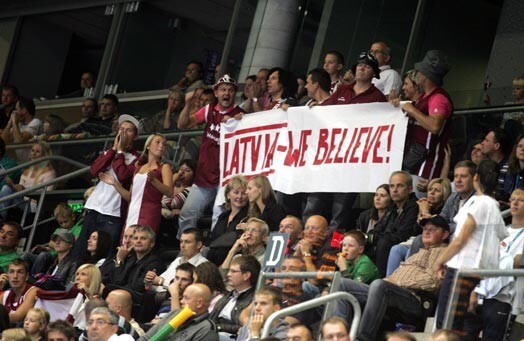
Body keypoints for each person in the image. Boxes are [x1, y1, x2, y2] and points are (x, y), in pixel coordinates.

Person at [303, 51, 387, 230]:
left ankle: (331, 252)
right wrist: (318, 108)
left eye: (366, 66)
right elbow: (329, 112)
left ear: (373, 73)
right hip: (330, 158)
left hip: (352, 163)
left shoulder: (378, 98)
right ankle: (305, 243)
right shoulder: (342, 90)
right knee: (314, 204)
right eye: (359, 65)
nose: (361, 68)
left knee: (340, 212)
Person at [335, 215, 450, 341]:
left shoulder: (444, 253)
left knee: (379, 285)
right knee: (341, 284)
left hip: (416, 299)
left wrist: (396, 283)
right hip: (391, 291)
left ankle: (363, 338)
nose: (427, 231)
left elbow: (432, 282)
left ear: (444, 234)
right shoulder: (419, 252)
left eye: (432, 229)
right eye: (425, 229)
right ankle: (340, 336)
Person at [434, 159, 509, 335]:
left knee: (446, 325)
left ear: (476, 178)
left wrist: (440, 260)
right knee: (456, 326)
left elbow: (461, 239)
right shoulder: (494, 205)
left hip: (461, 270)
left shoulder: (480, 203)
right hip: (473, 272)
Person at [177, 75, 244, 237]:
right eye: (222, 89)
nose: (226, 93)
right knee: (187, 213)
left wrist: (241, 122)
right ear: (216, 93)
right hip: (204, 175)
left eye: (230, 90)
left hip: (226, 177)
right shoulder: (209, 110)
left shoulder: (241, 114)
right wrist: (187, 104)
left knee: (217, 215)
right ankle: (184, 248)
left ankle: (212, 250)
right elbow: (182, 125)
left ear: (234, 93)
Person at [73, 114, 140, 259]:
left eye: (128, 130)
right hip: (94, 208)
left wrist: (120, 152)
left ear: (135, 137)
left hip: (113, 213)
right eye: (121, 129)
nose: (123, 133)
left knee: (105, 252)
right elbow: (94, 171)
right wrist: (113, 151)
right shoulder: (108, 152)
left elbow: (123, 175)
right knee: (82, 249)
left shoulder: (137, 159)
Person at [462, 188, 524, 340]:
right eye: (512, 199)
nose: (515, 203)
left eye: (521, 200)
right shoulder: (501, 230)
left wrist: (497, 259)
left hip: (504, 297)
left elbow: (519, 262)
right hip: (479, 293)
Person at [391, 50, 453, 194]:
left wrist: (411, 109)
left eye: (419, 71)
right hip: (413, 162)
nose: (417, 73)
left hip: (426, 167)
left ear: (426, 75)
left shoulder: (438, 98)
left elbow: (435, 126)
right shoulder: (425, 97)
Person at [100, 133, 173, 234]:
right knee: (127, 243)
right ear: (148, 146)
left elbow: (169, 192)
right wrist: (115, 183)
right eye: (158, 142)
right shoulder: (138, 169)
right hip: (132, 212)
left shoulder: (164, 167)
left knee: (141, 241)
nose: (161, 146)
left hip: (149, 213)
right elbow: (130, 197)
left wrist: (154, 181)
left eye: (164, 144)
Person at [105, 226, 164, 309]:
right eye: (135, 238)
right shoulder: (131, 259)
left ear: (152, 243)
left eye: (143, 238)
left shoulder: (155, 262)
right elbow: (117, 280)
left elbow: (138, 287)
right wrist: (119, 260)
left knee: (107, 289)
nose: (138, 241)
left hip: (139, 300)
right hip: (124, 293)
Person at [374, 171, 419, 276]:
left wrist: (379, 237)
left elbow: (403, 234)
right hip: (388, 244)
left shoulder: (414, 207)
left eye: (400, 186)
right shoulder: (392, 206)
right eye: (392, 186)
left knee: (384, 242)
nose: (394, 190)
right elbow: (378, 228)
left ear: (410, 189)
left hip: (405, 246)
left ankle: (380, 279)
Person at [139, 283, 218, 341]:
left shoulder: (207, 329)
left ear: (199, 303)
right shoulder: (174, 313)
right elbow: (146, 337)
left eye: (186, 298)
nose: (181, 301)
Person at [0, 141, 56, 218]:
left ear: (44, 155)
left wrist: (24, 189)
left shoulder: (49, 172)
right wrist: (17, 187)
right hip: (21, 202)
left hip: (34, 206)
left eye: (37, 152)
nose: (33, 154)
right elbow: (19, 190)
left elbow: (46, 195)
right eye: (32, 150)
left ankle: (1, 216)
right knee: (6, 188)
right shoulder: (26, 172)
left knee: (6, 191)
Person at [210, 255, 260, 338]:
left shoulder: (255, 299)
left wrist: (218, 327)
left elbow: (244, 328)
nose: (228, 274)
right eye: (229, 270)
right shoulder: (227, 296)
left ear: (246, 276)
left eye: (233, 271)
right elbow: (211, 319)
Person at [145, 228, 208, 293]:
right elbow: (157, 285)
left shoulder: (203, 266)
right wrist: (150, 281)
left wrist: (162, 281)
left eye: (187, 242)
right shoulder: (177, 261)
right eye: (181, 241)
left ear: (198, 245)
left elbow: (193, 291)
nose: (182, 245)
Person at [207, 175, 249, 266]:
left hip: (234, 262)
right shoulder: (223, 216)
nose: (240, 196)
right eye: (236, 192)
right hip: (214, 261)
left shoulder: (248, 216)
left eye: (244, 193)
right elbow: (213, 239)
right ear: (228, 195)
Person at [1, 97, 42, 162]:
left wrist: (14, 122)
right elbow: (3, 141)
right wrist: (9, 123)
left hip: (36, 162)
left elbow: (20, 140)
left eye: (16, 109)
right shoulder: (18, 125)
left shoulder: (35, 122)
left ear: (23, 111)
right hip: (23, 163)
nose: (14, 112)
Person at [479, 127, 512, 203]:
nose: (482, 143)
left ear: (496, 146)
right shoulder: (484, 165)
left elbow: (506, 195)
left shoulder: (509, 168)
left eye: (486, 140)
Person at [0, 259, 37, 324]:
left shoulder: (33, 291)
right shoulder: (5, 295)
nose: (15, 276)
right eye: (11, 272)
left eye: (20, 272)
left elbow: (17, 317)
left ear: (27, 276)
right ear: (7, 275)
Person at [70, 264, 103, 331]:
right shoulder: (71, 297)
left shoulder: (97, 300)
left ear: (93, 278)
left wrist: (88, 293)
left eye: (83, 274)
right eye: (77, 274)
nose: (78, 277)